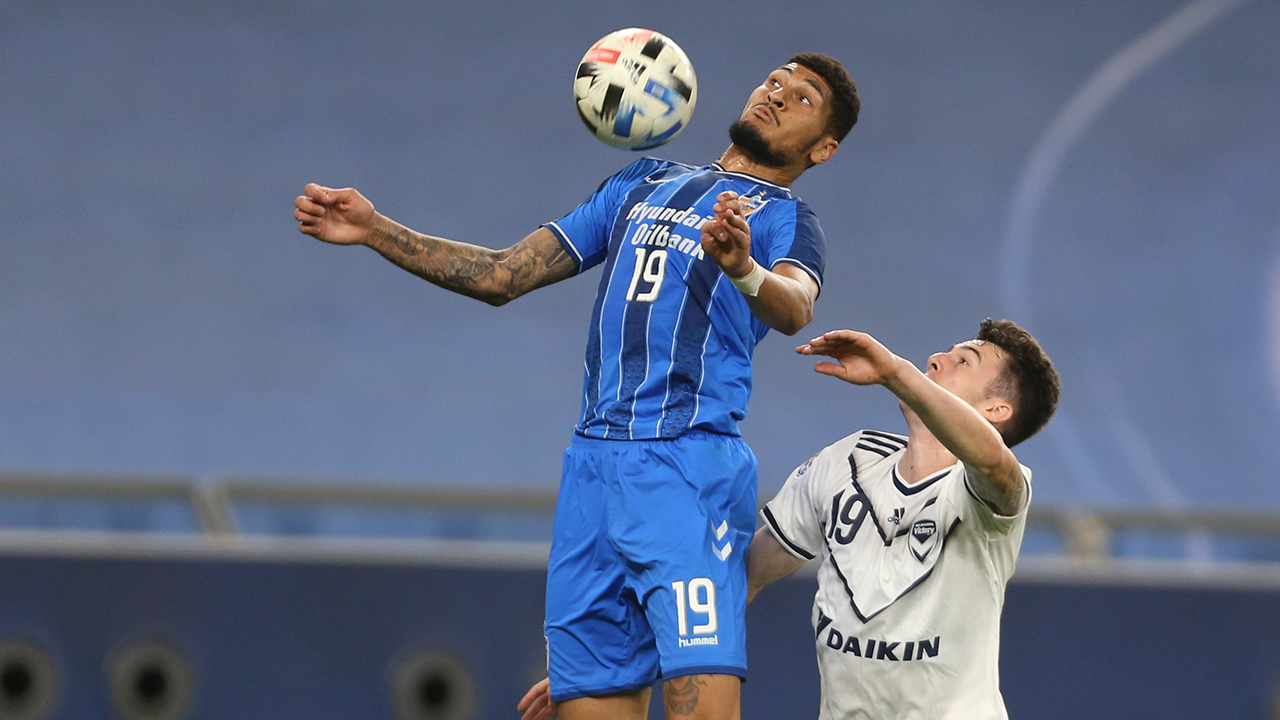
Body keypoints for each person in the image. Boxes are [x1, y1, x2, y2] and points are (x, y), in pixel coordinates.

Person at [295, 53, 861, 720]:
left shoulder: (783, 218)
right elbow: (504, 276)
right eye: (774, 81)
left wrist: (741, 268)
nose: (775, 94)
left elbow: (795, 306)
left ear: (823, 147)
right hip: (592, 475)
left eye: (802, 98)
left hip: (685, 469)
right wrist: (375, 230)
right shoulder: (641, 181)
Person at [518, 319, 1060, 720]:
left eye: (964, 361)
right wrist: (611, 667)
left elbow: (991, 460)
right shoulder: (846, 461)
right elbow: (737, 580)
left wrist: (894, 373)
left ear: (995, 413)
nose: (938, 357)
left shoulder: (997, 496)